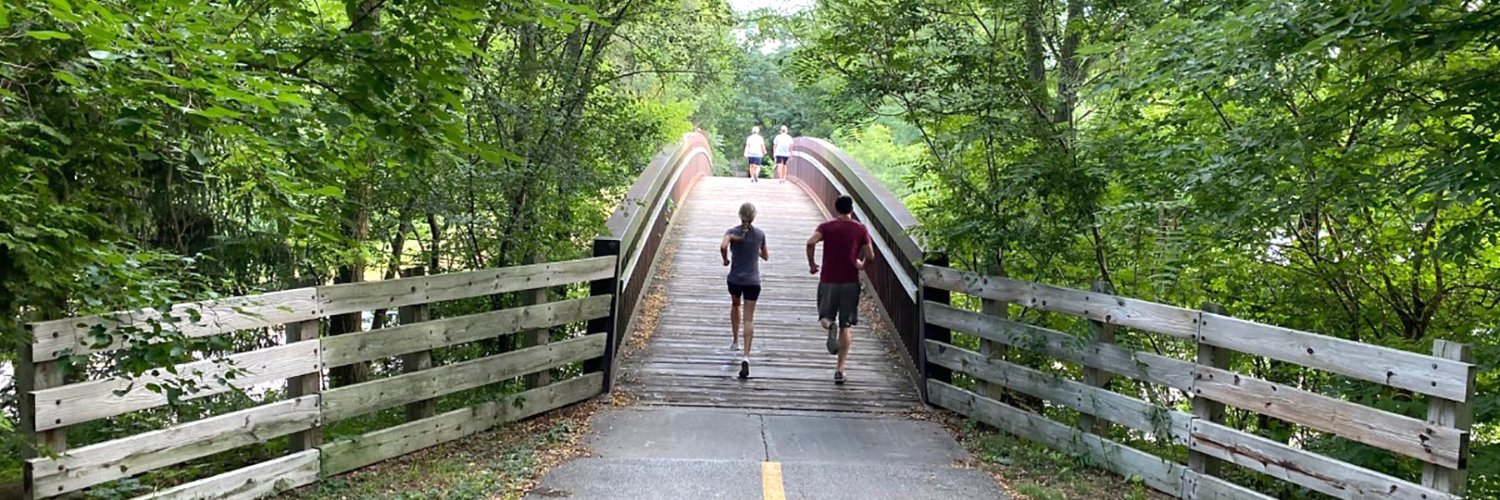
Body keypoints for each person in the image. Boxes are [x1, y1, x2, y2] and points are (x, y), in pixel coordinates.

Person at [805, 195, 872, 385]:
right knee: (846, 325)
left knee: (825, 317)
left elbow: (810, 242)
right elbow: (871, 255)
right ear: (851, 209)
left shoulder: (826, 227)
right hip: (850, 281)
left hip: (829, 280)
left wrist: (812, 264)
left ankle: (829, 325)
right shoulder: (860, 229)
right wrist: (862, 264)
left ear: (836, 209)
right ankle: (840, 369)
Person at [722, 202, 769, 379]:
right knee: (749, 318)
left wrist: (725, 260)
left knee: (735, 306)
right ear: (754, 216)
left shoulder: (732, 232)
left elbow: (723, 245)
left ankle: (735, 341)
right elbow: (765, 256)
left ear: (739, 215)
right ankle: (746, 356)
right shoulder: (759, 235)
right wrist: (754, 250)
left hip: (735, 280)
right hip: (753, 282)